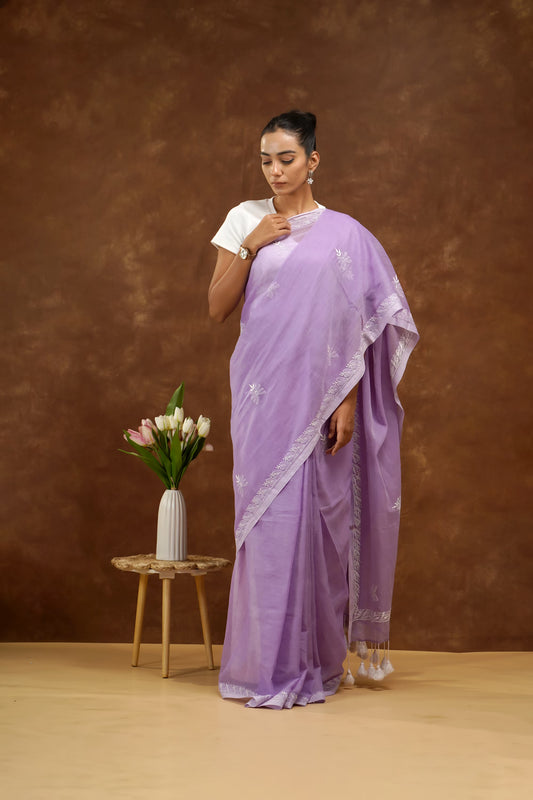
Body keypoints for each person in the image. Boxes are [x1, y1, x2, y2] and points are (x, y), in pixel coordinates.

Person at [208, 110, 418, 709]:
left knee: (323, 529)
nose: (275, 171)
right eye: (266, 160)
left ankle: (319, 664)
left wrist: (347, 398)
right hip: (260, 396)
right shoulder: (244, 219)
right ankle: (265, 666)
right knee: (269, 528)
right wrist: (250, 248)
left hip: (322, 398)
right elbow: (217, 308)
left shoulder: (345, 234)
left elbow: (353, 323)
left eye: (287, 159)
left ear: (313, 161)